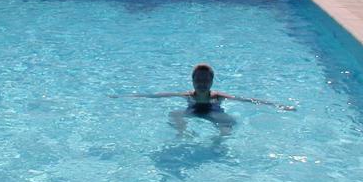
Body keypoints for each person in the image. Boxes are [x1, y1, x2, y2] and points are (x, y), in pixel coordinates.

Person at [116, 63, 295, 135]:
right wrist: (128, 96)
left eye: (205, 80)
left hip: (214, 112)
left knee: (228, 124)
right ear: (193, 81)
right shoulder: (188, 95)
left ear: (211, 82)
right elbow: (156, 96)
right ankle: (182, 134)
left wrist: (278, 106)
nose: (202, 84)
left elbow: (247, 100)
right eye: (198, 80)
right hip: (193, 112)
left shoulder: (217, 96)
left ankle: (219, 142)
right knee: (175, 114)